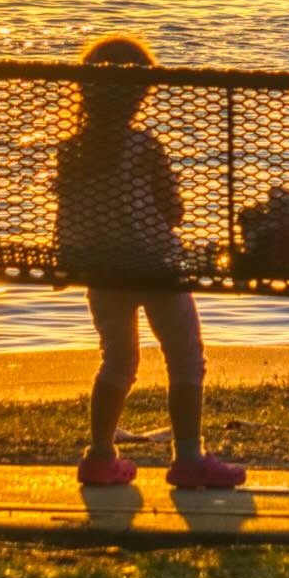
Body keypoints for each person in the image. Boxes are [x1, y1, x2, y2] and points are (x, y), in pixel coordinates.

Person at [56, 34, 247, 491]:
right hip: (154, 264)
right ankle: (188, 458)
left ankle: (100, 455)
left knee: (117, 360)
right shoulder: (143, 147)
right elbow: (173, 211)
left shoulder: (71, 151)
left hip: (99, 269)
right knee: (185, 358)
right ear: (140, 95)